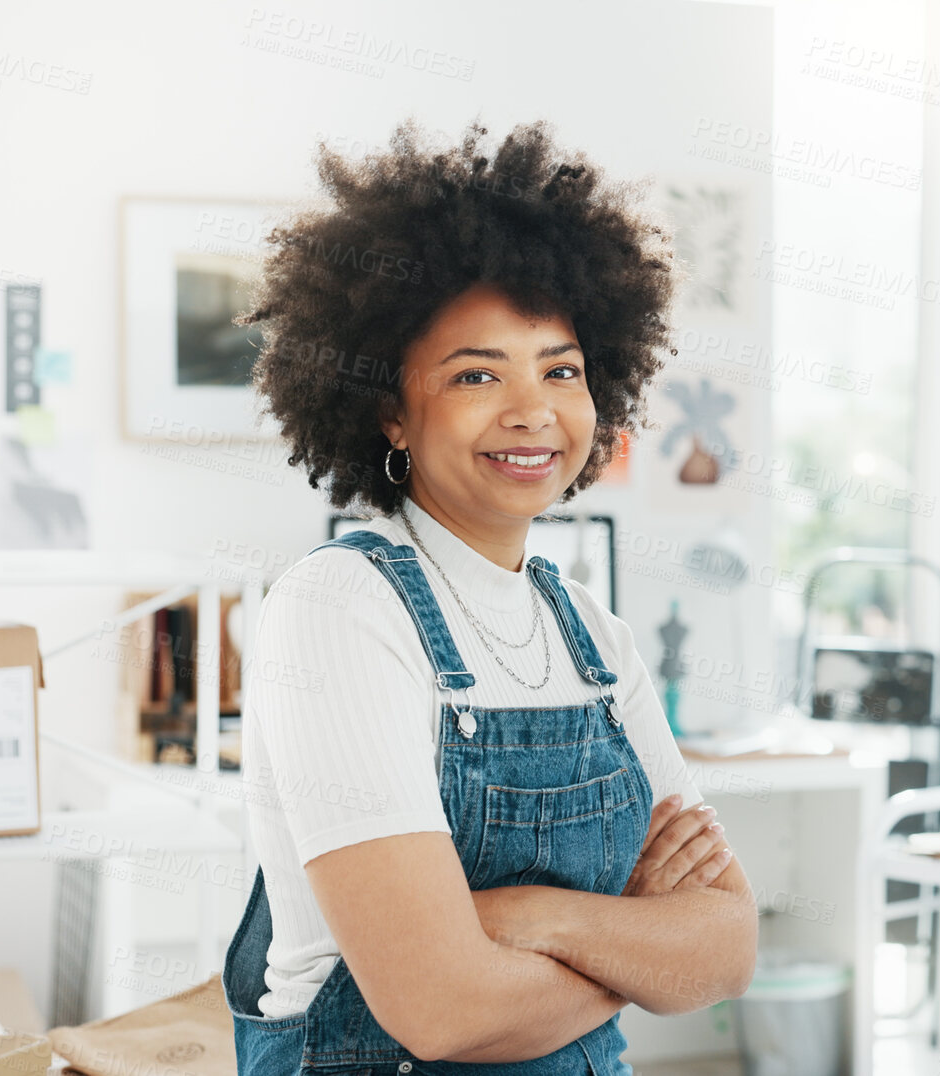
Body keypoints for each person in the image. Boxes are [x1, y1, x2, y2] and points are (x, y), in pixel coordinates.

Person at [220, 117, 757, 1074]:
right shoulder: (340, 608)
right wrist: (636, 944)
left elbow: (725, 951)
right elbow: (440, 1011)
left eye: (562, 370)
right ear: (390, 408)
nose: (532, 411)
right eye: (477, 374)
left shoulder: (589, 632)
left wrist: (523, 918)